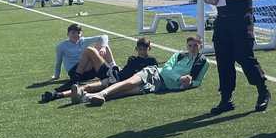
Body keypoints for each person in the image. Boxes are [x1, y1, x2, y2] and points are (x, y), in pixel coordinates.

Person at [203, 0, 273, 115]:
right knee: (223, 59)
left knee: (244, 55)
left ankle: (262, 91)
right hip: (222, 19)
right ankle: (226, 99)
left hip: (242, 18)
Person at [77, 35, 210, 106]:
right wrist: (180, 78)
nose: (192, 48)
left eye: (195, 46)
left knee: (129, 92)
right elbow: (166, 69)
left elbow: (199, 80)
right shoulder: (179, 54)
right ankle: (102, 93)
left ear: (201, 46)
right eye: (190, 45)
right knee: (129, 83)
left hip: (161, 86)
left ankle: (86, 97)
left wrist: (190, 83)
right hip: (154, 72)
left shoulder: (204, 62)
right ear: (187, 46)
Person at [64, 38, 158, 102]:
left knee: (95, 89)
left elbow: (148, 75)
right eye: (140, 49)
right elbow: (126, 72)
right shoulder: (132, 59)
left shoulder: (151, 60)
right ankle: (59, 94)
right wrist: (114, 70)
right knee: (89, 86)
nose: (142, 52)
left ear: (149, 49)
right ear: (136, 49)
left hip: (124, 82)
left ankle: (81, 97)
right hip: (116, 76)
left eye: (144, 49)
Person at [47, 25, 114, 98]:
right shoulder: (62, 46)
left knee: (102, 44)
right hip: (74, 72)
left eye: (78, 33)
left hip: (88, 72)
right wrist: (56, 76)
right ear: (68, 34)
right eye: (73, 32)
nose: (76, 35)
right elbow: (58, 61)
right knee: (89, 50)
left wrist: (103, 47)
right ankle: (75, 79)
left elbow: (104, 36)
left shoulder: (83, 41)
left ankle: (114, 68)